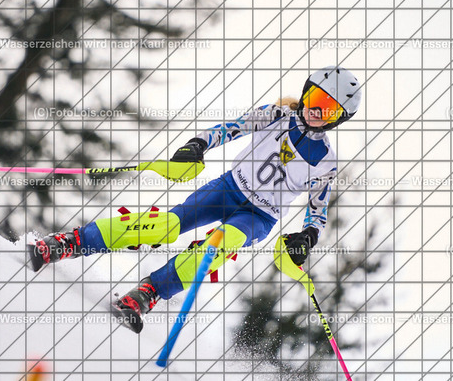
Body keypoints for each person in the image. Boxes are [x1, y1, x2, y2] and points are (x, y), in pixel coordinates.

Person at [28, 66, 362, 333]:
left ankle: (149, 292)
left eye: (330, 109)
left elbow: (317, 210)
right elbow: (231, 128)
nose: (318, 110)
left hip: (259, 217)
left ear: (339, 118)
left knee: (214, 249)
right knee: (164, 226)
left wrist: (307, 237)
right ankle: (71, 242)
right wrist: (197, 145)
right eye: (316, 98)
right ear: (305, 92)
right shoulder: (277, 115)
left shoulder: (326, 161)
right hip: (228, 189)